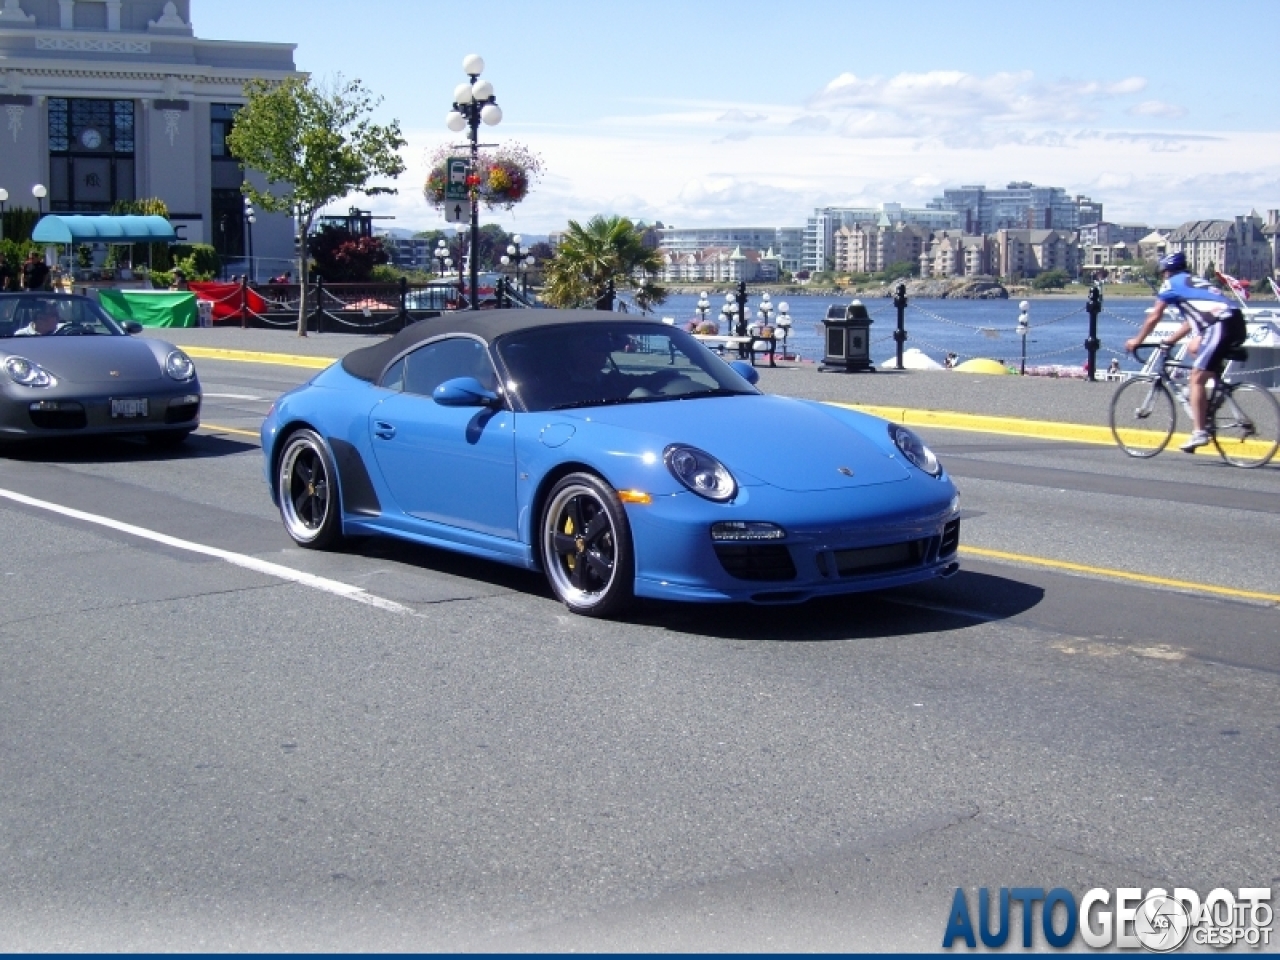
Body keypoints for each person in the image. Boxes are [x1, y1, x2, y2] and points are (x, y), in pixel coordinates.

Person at [1125, 252, 1247, 452]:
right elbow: (1192, 321)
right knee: (1193, 347)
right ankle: (1216, 394)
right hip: (1235, 320)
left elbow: (1155, 315)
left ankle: (1199, 432)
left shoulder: (1170, 284)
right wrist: (1170, 340)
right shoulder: (1195, 280)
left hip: (1220, 324)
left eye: (1162, 272)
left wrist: (1137, 341)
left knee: (1196, 378)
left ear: (1166, 272)